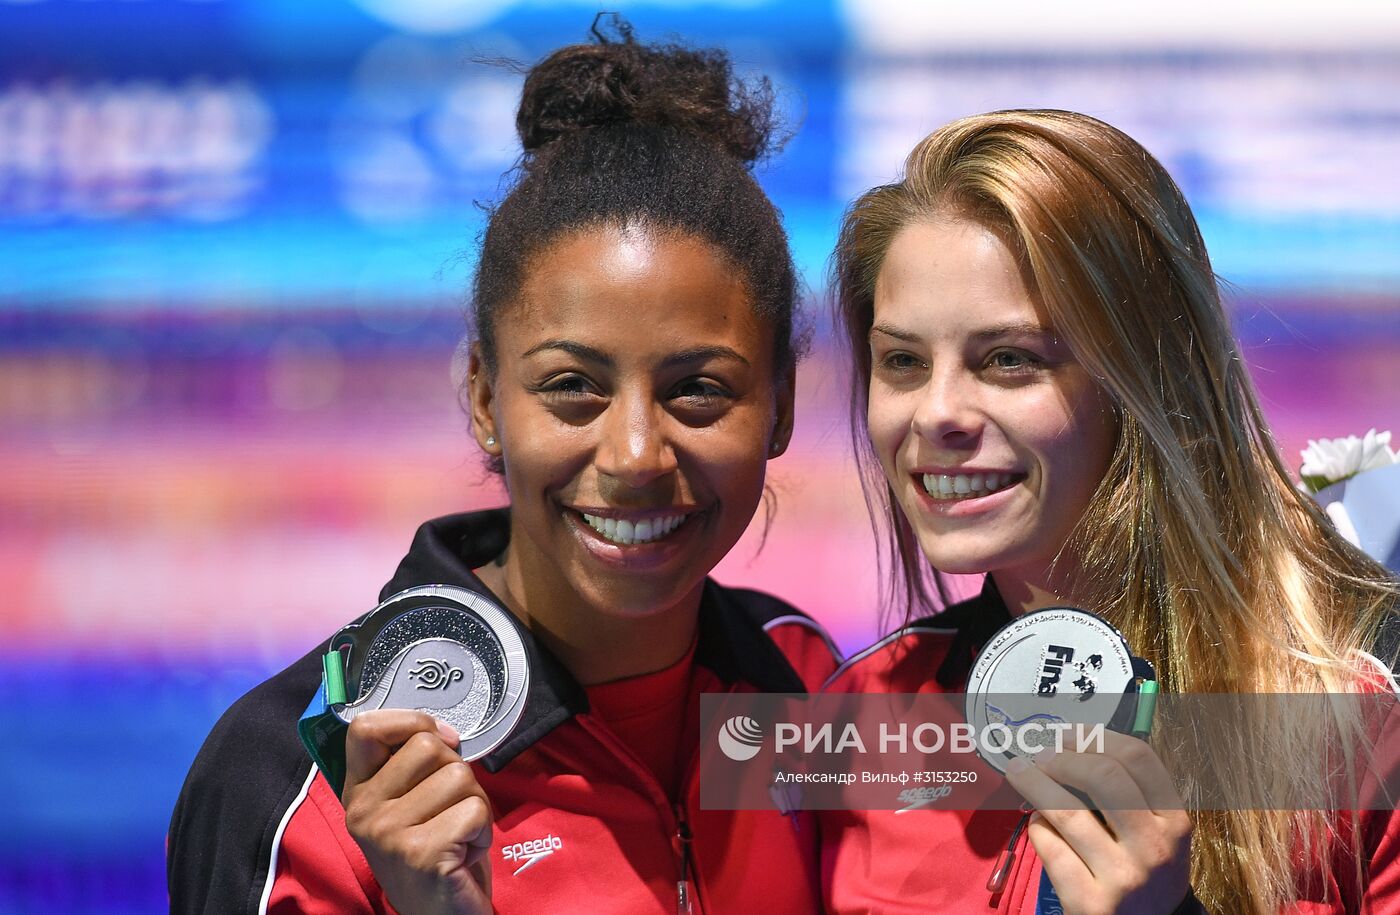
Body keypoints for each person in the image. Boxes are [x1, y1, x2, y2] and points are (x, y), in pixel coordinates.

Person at [166, 22, 842, 915]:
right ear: (485, 399)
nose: (636, 453)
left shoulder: (801, 679)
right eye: (573, 386)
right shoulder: (300, 774)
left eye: (698, 391)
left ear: (783, 407)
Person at [821, 109, 1400, 913]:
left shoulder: (1361, 701)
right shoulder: (853, 719)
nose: (936, 412)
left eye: (1009, 359)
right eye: (903, 362)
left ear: (1144, 378)